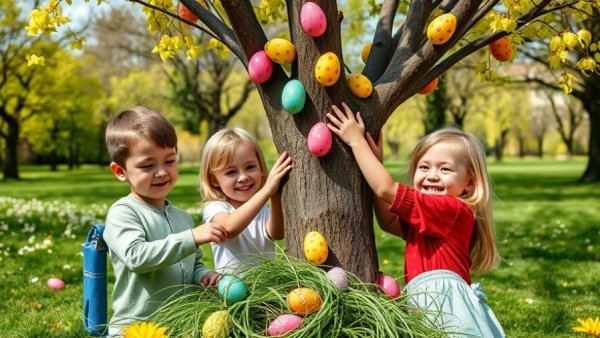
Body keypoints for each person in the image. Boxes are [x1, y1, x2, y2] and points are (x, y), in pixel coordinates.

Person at [326, 102, 505, 337]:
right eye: (424, 167)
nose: (432, 176)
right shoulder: (431, 215)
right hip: (428, 303)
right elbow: (388, 221)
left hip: (445, 308)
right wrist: (375, 163)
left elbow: (385, 189)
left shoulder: (452, 209)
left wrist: (357, 141)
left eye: (445, 170)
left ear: (469, 182)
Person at [103, 106, 227, 333]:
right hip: (137, 330)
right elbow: (136, 257)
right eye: (148, 165)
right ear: (120, 171)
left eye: (169, 161)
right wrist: (191, 237)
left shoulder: (182, 217)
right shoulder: (123, 212)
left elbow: (193, 263)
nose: (161, 172)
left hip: (180, 326)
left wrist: (204, 275)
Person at [199, 127, 292, 273]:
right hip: (231, 291)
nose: (243, 177)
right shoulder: (216, 208)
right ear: (214, 179)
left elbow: (277, 234)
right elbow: (229, 228)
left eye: (250, 167)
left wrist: (275, 196)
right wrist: (266, 191)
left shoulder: (264, 210)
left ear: (261, 168)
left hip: (265, 289)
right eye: (231, 172)